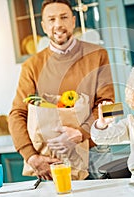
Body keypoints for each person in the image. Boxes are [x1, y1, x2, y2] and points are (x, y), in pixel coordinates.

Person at [8, 0, 115, 181]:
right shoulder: (31, 66)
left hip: (95, 153)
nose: (58, 24)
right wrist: (31, 156)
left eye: (64, 17)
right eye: (51, 19)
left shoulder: (98, 55)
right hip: (51, 160)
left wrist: (82, 133)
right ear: (43, 26)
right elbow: (17, 113)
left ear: (73, 21)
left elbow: (110, 107)